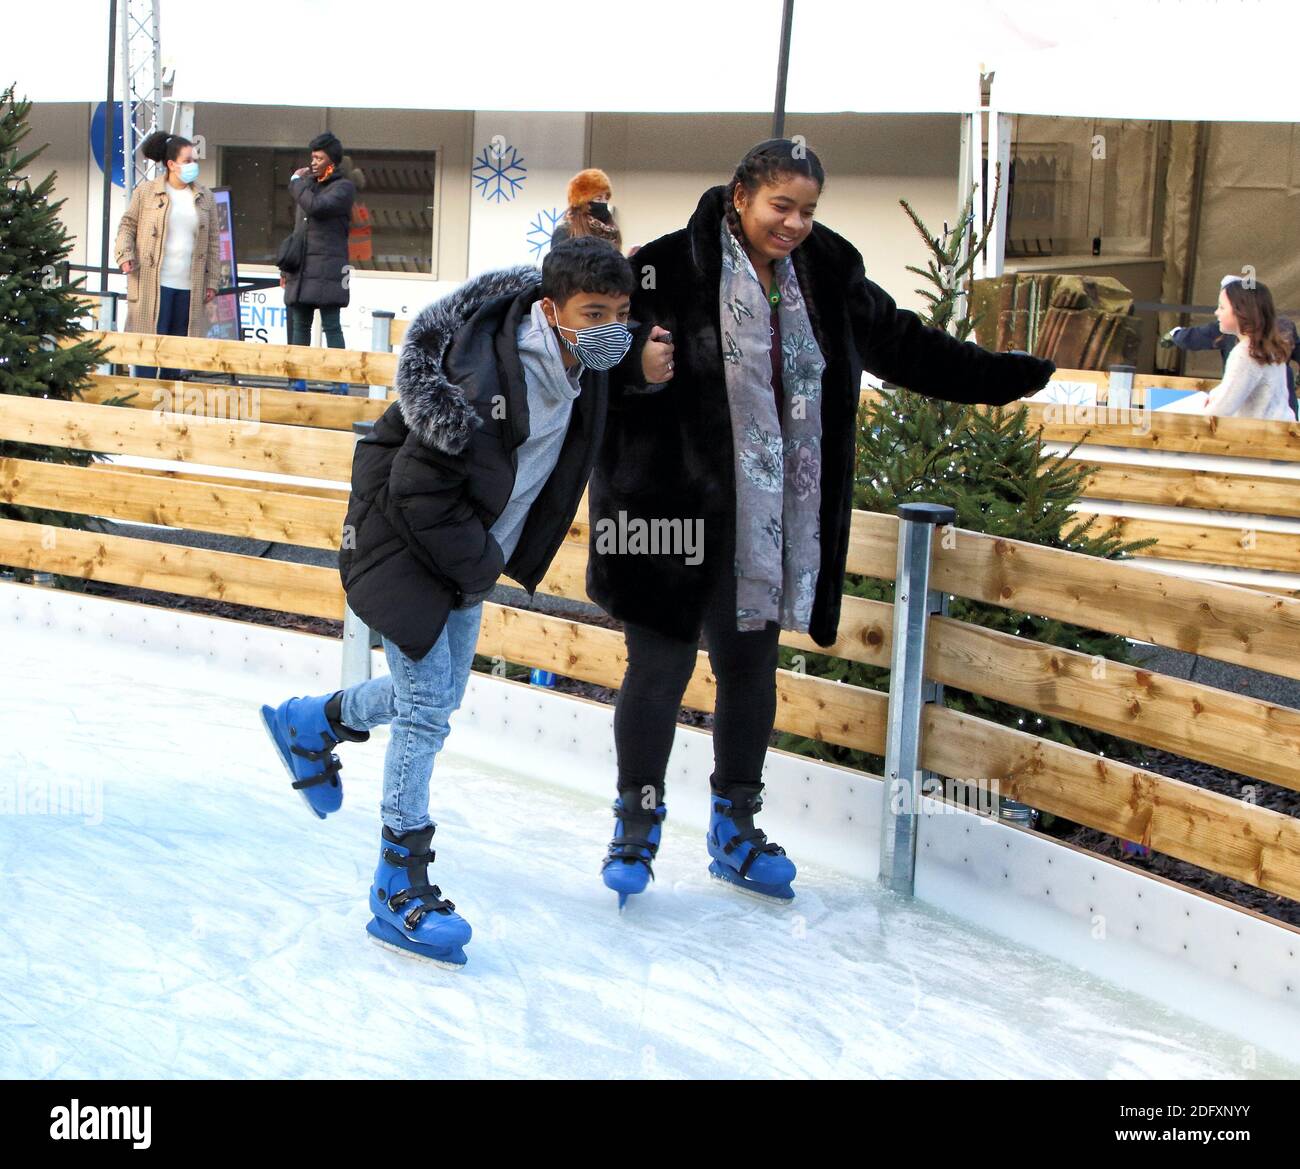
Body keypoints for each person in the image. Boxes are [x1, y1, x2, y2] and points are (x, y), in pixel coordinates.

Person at [588, 138, 1056, 908]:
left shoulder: (828, 269)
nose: (796, 223)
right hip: (666, 513)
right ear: (741, 194)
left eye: (808, 210)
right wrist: (637, 359)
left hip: (769, 520)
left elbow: (902, 344)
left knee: (748, 670)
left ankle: (735, 826)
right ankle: (635, 826)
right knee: (660, 669)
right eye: (783, 206)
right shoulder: (666, 265)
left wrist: (1002, 377)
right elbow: (596, 343)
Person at [260, 237, 637, 968]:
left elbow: (611, 383)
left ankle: (312, 722)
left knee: (430, 696)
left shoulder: (579, 360)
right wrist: (483, 563)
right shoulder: (479, 379)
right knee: (428, 710)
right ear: (549, 309)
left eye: (619, 314)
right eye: (595, 313)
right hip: (412, 544)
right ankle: (397, 883)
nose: (609, 330)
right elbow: (416, 491)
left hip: (466, 549)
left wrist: (643, 362)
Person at [114, 131, 220, 380]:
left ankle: (169, 403)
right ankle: (144, 400)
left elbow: (214, 241)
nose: (193, 165)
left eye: (195, 160)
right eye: (187, 161)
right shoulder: (147, 192)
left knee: (175, 350)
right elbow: (128, 225)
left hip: (188, 286)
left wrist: (212, 281)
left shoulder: (205, 197)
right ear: (171, 164)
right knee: (148, 348)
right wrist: (124, 254)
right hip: (153, 283)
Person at [1162, 274, 1299, 418]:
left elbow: (1219, 410)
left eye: (1222, 307)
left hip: (1258, 436)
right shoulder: (1269, 348)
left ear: (1242, 312)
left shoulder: (1246, 353)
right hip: (1279, 431)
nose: (1217, 312)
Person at [282, 132, 356, 352]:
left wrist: (296, 183)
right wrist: (286, 269)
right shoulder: (308, 186)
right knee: (300, 325)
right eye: (312, 157)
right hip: (301, 268)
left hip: (329, 268)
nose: (313, 163)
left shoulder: (343, 188)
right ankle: (297, 380)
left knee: (331, 325)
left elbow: (317, 207)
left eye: (319, 158)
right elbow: (298, 230)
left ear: (331, 161)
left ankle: (339, 382)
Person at [551, 167, 622, 252]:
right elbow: (558, 263)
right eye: (598, 199)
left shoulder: (611, 232)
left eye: (606, 199)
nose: (604, 203)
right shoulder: (565, 232)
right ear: (582, 202)